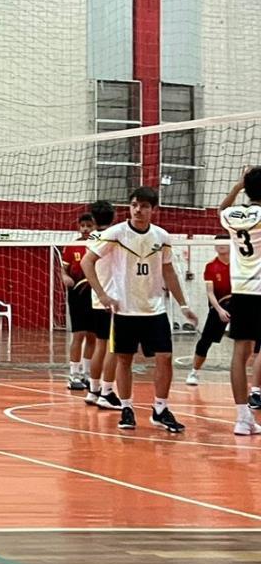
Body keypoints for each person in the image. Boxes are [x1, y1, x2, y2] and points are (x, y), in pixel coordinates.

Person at [82, 186, 195, 434]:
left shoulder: (162, 236)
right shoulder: (116, 233)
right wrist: (101, 293)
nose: (138, 210)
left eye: (144, 206)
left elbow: (168, 271)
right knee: (124, 360)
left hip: (155, 310)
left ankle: (160, 409)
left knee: (164, 359)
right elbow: (86, 261)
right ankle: (126, 408)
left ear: (154, 209)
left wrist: (184, 304)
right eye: (134, 205)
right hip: (125, 310)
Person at [218, 166, 261, 435]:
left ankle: (242, 418)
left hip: (242, 291)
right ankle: (256, 393)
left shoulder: (231, 215)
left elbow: (221, 208)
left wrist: (238, 186)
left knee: (240, 352)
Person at [80, 200, 124, 409]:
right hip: (112, 298)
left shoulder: (92, 239)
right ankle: (106, 392)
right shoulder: (114, 237)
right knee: (112, 348)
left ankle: (93, 390)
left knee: (100, 345)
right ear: (113, 216)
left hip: (97, 299)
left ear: (93, 219)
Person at [186, 235, 233, 386]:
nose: (220, 246)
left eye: (224, 243)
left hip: (240, 303)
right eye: (217, 243)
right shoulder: (211, 266)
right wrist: (219, 310)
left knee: (251, 341)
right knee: (205, 341)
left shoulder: (240, 264)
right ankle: (194, 372)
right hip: (219, 306)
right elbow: (210, 292)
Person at [58, 210, 97, 391]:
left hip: (95, 293)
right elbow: (63, 270)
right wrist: (64, 277)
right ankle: (73, 375)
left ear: (95, 227)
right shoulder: (72, 246)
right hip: (77, 294)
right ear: (78, 227)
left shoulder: (100, 245)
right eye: (83, 226)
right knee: (79, 335)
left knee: (92, 336)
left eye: (89, 226)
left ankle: (87, 374)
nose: (86, 229)